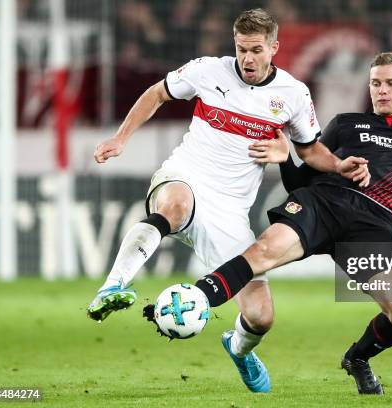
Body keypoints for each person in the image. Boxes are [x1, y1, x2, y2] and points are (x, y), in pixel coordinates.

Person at [147, 52, 392, 395]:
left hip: (374, 226)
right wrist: (285, 158)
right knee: (263, 252)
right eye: (375, 83)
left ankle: (358, 359)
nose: (381, 90)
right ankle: (196, 298)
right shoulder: (346, 125)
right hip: (324, 205)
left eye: (390, 83)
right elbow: (301, 181)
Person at [86, 8, 370, 394]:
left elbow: (309, 149)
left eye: (255, 50)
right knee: (173, 207)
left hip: (231, 211)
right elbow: (157, 93)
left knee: (261, 316)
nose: (247, 59)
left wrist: (337, 164)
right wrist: (120, 138)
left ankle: (238, 349)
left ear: (274, 47)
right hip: (187, 174)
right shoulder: (207, 70)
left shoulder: (292, 94)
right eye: (241, 49)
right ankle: (113, 285)